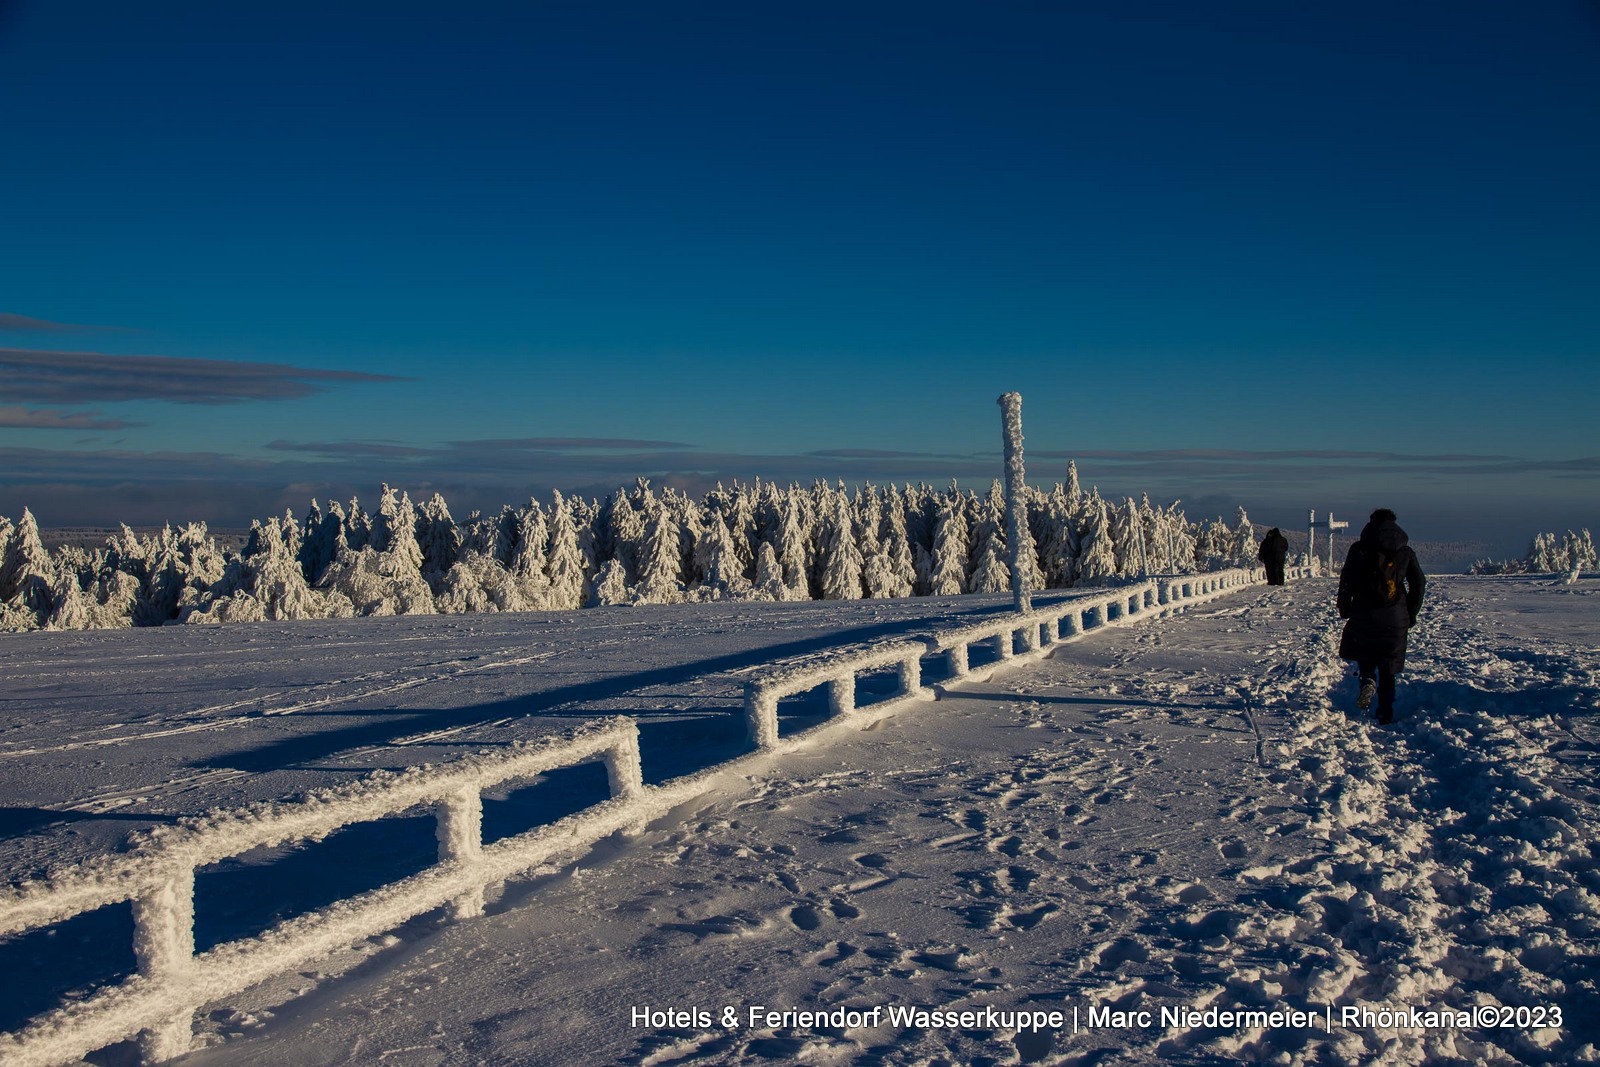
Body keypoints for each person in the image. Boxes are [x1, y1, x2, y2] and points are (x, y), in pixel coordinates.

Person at [1337, 508, 1425, 724]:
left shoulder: (1359, 549)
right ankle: (1385, 711)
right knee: (1389, 666)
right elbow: (1419, 584)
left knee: (1366, 655)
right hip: (1395, 618)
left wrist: (1345, 607)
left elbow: (1347, 580)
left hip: (1364, 613)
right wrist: (1410, 612)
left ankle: (1367, 681)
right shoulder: (1405, 552)